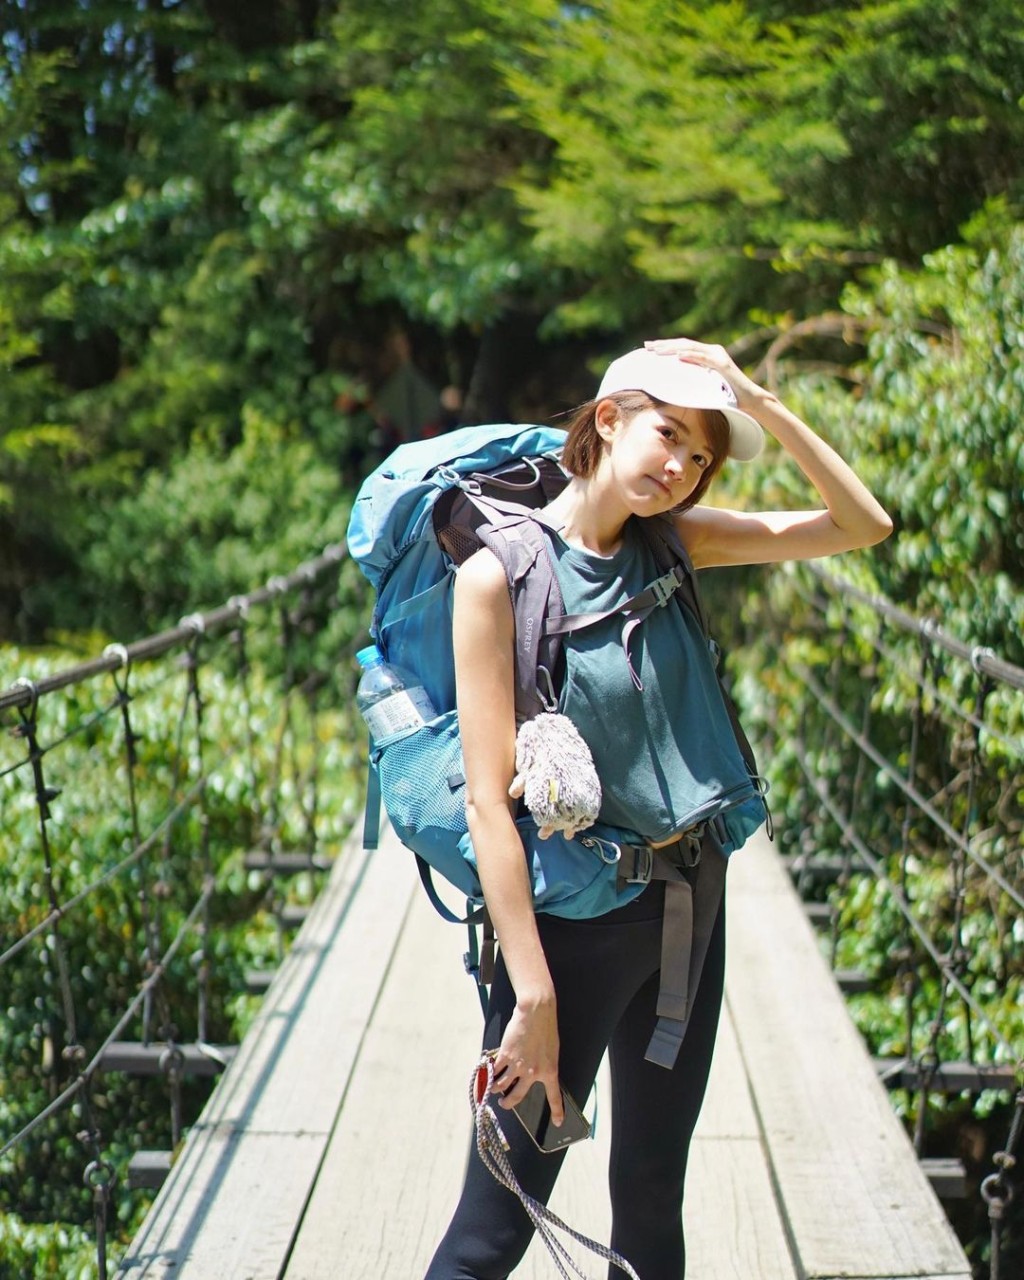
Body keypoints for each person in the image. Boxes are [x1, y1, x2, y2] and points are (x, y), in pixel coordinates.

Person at [424, 337, 892, 1279]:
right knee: (495, 1227)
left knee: (650, 1200)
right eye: (667, 435)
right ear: (608, 420)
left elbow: (862, 523)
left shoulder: (678, 542)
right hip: (566, 942)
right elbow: (485, 807)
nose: (679, 467)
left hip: (688, 916)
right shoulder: (496, 579)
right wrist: (535, 997)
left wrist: (758, 399)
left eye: (700, 457)